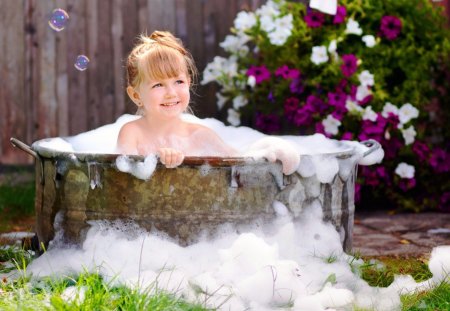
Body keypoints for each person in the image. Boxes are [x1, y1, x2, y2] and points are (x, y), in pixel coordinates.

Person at [117, 31, 237, 168]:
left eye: (179, 82)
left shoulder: (202, 136)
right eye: (158, 85)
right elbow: (124, 176)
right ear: (136, 95)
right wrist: (153, 160)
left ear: (188, 82)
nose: (171, 93)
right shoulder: (132, 133)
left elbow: (242, 165)